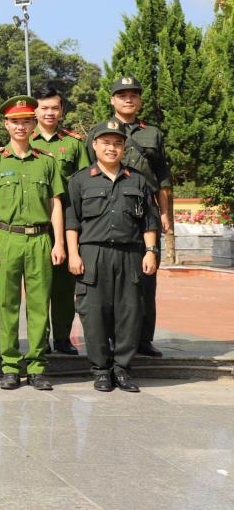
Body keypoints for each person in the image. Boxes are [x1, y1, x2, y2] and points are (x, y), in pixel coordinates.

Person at [0, 96, 66, 391]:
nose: (20, 126)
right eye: (15, 121)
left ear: (34, 124)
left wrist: (59, 243)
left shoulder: (47, 162)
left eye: (26, 121)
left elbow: (56, 204)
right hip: (8, 238)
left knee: (40, 305)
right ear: (6, 124)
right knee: (8, 304)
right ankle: (11, 366)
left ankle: (38, 366)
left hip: (41, 239)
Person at [66, 120, 160, 392]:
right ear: (94, 145)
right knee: (93, 314)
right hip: (92, 255)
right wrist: (74, 254)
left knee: (129, 313)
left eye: (117, 143)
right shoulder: (80, 180)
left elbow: (149, 223)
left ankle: (122, 369)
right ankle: (100, 370)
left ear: (124, 148)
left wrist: (151, 252)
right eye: (106, 143)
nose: (111, 148)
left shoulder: (138, 180)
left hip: (130, 255)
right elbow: (72, 222)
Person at [87, 75, 172, 358]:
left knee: (146, 279)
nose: (128, 99)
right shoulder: (99, 132)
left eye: (133, 94)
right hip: (111, 213)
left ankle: (144, 339)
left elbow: (163, 176)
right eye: (122, 94)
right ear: (112, 99)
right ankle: (113, 338)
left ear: (140, 100)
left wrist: (165, 214)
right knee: (111, 281)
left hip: (145, 215)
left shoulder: (153, 133)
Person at [30, 86, 90, 355]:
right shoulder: (26, 141)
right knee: (37, 284)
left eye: (55, 107)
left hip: (66, 222)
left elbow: (85, 183)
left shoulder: (75, 144)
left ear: (62, 110)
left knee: (65, 285)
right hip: (35, 221)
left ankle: (63, 337)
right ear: (35, 110)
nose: (49, 112)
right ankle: (40, 338)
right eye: (44, 107)